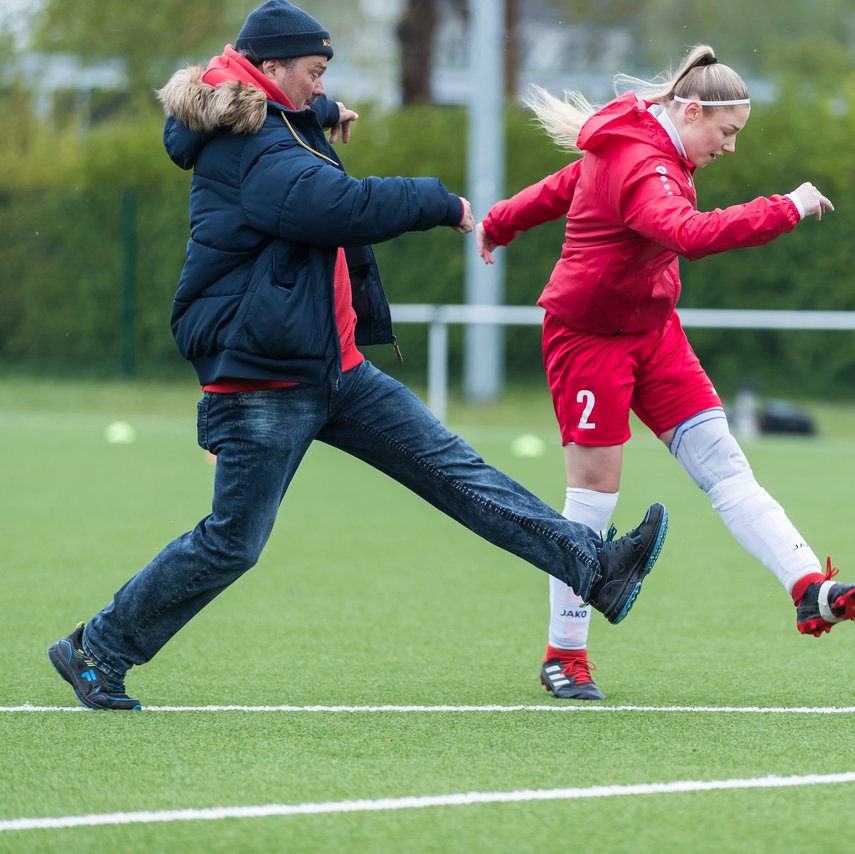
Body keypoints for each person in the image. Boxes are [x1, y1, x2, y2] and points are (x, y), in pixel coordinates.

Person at [46, 0, 668, 712]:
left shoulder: (269, 118)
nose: (318, 86)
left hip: (331, 366)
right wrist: (439, 200)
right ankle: (97, 647)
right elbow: (334, 205)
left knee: (456, 473)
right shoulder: (252, 149)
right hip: (263, 379)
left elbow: (288, 127)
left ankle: (597, 568)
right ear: (272, 68)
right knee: (232, 543)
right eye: (312, 73)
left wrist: (320, 108)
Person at [476, 46, 855, 701]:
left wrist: (502, 222)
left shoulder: (640, 142)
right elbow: (687, 234)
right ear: (690, 112)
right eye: (727, 132)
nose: (731, 147)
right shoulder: (641, 162)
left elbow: (563, 187)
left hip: (654, 333)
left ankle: (811, 588)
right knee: (595, 495)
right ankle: (564, 655)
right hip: (588, 339)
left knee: (724, 464)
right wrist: (787, 206)